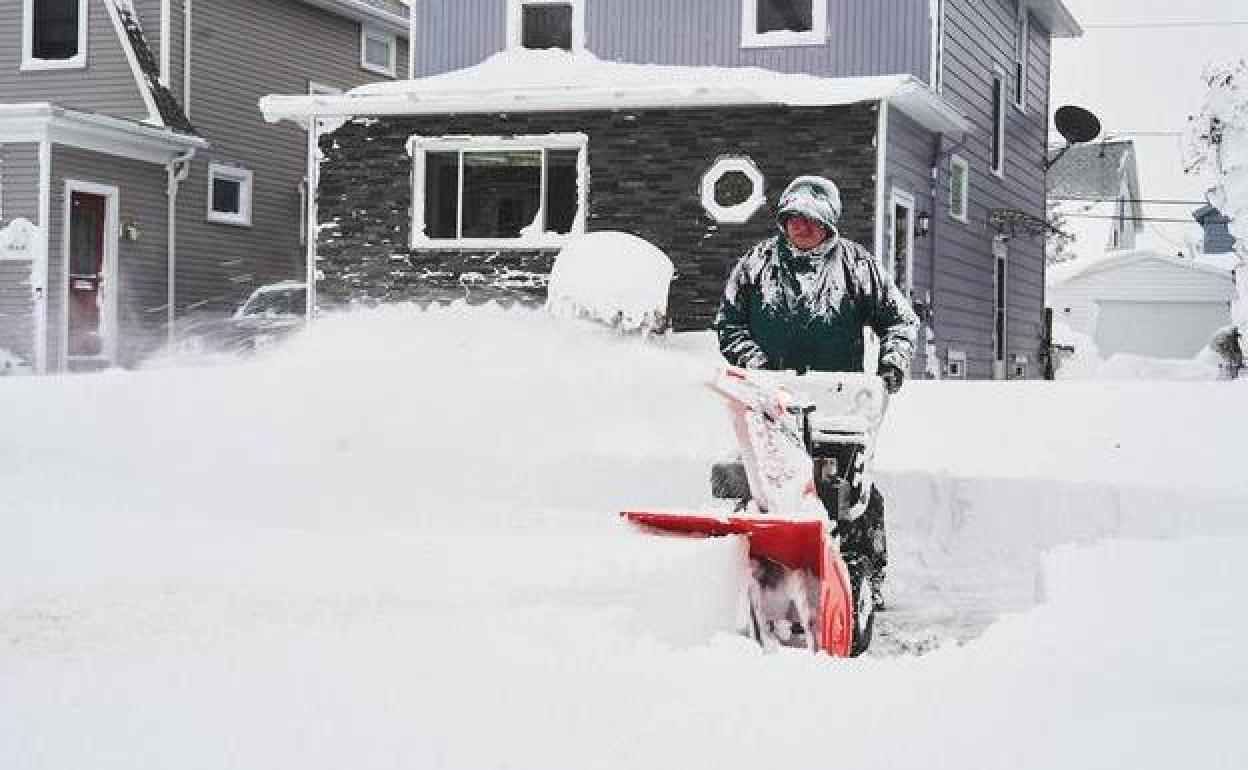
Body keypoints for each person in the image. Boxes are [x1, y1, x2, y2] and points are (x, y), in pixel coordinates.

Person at [713, 174, 920, 607]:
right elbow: (729, 324)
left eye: (811, 220)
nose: (800, 228)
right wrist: (757, 365)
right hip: (768, 400)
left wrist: (890, 366)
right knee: (748, 480)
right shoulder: (756, 265)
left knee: (850, 494)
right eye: (792, 219)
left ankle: (864, 577)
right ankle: (738, 568)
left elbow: (900, 322)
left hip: (839, 404)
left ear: (829, 224)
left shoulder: (857, 267)